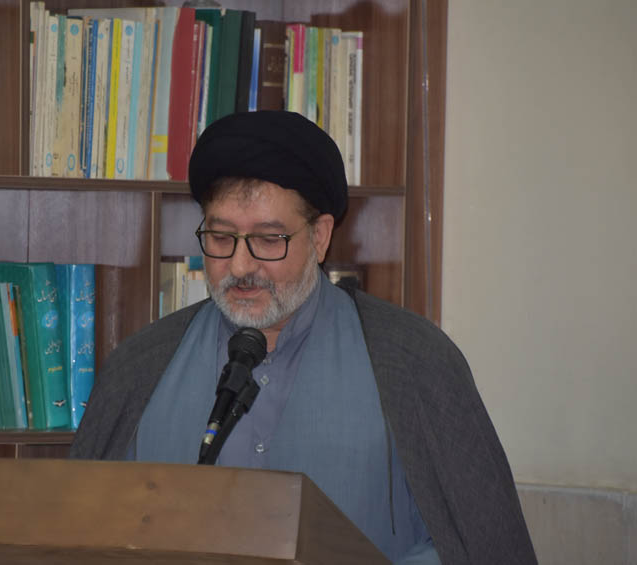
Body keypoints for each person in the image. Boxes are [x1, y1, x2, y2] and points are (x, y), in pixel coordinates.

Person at [70, 111, 537, 565]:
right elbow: (80, 536)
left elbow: (479, 547)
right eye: (221, 237)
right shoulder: (141, 367)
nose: (240, 266)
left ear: (320, 236)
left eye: (269, 239)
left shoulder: (413, 361)